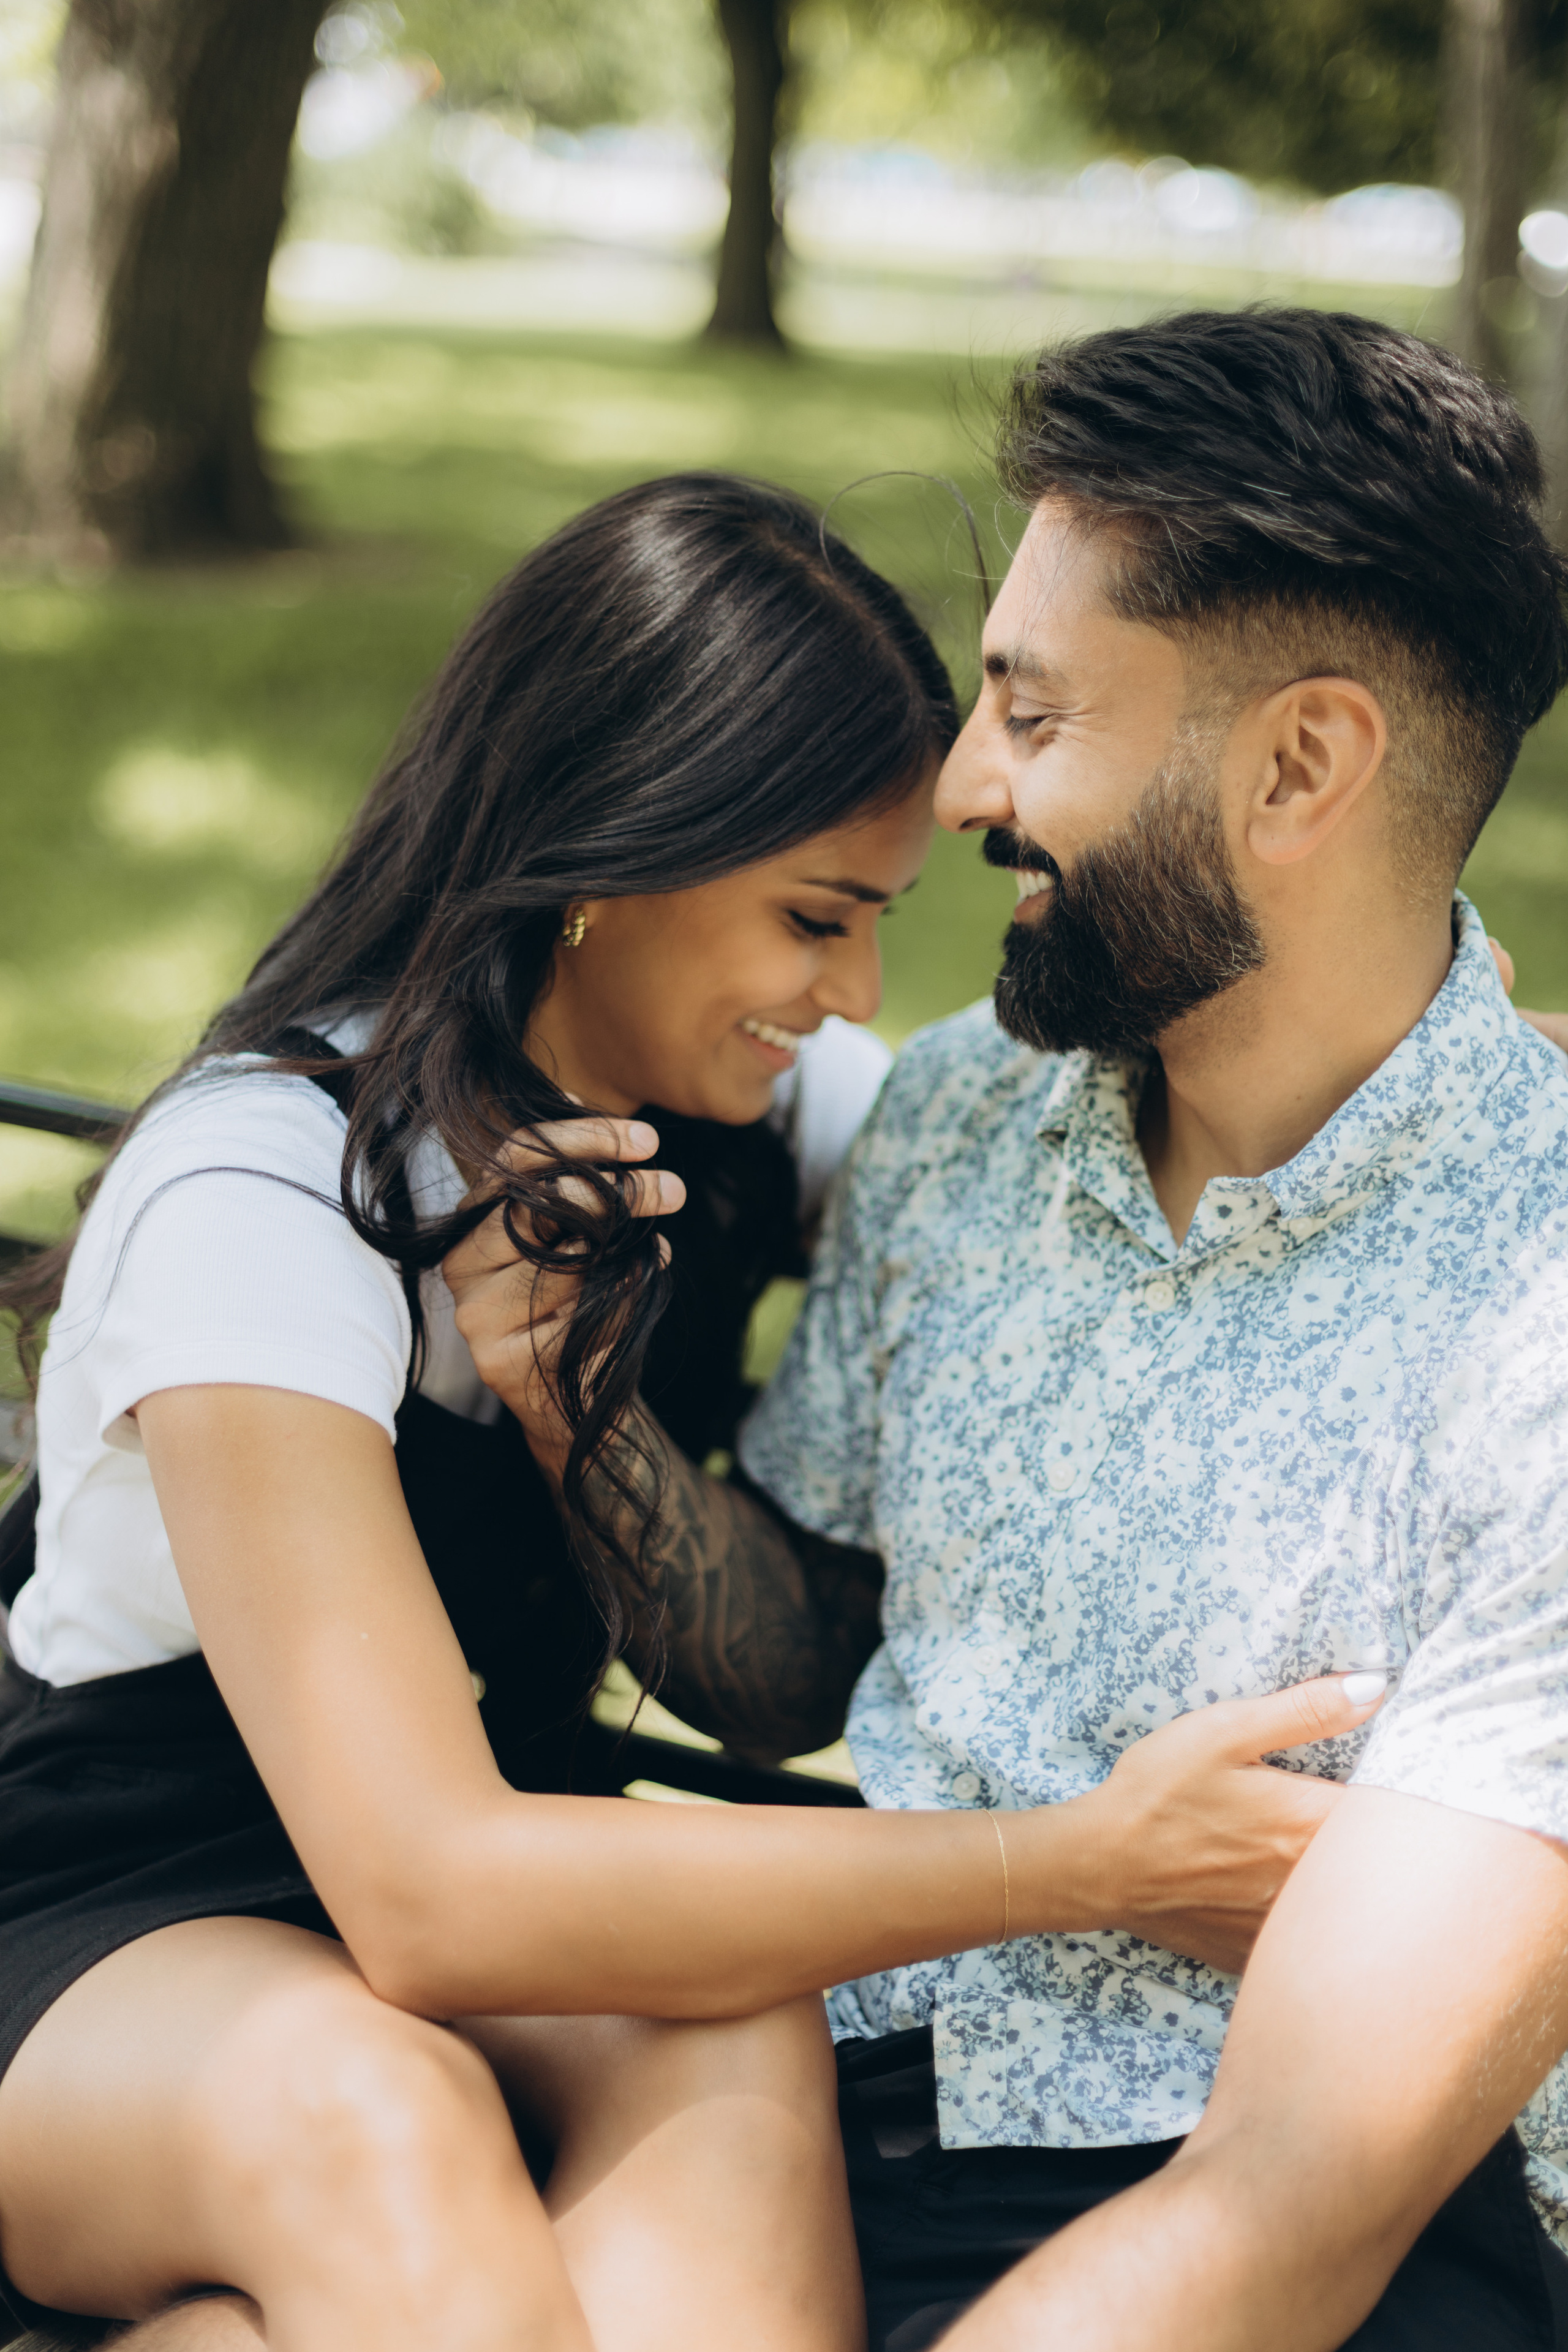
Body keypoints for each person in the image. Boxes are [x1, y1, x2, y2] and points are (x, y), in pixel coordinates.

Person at [0, 472, 1371, 2352]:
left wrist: (1416, 1037)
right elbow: (429, 1895)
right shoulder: (261, 1194)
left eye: (880, 919)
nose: (857, 991)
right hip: (113, 1915)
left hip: (509, 1856)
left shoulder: (749, 1116)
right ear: (604, 859)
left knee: (725, 2020)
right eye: (814, 918)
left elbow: (1076, 1123)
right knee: (364, 2113)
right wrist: (1081, 1863)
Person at [511, 316, 1568, 2352]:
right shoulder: (961, 1117)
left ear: (1301, 766)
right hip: (801, 2130)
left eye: (1031, 708)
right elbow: (801, 1652)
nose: (961, 780)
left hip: (1295, 2237)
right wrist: (585, 1422)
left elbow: (1296, 2204)